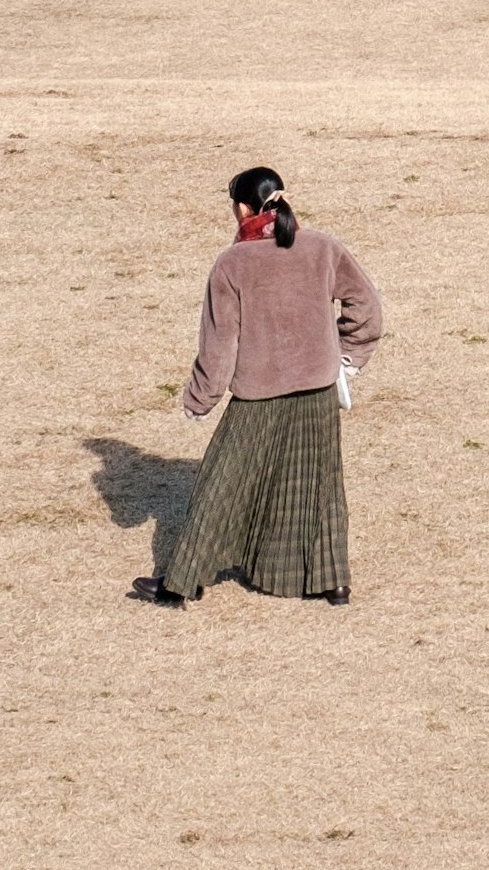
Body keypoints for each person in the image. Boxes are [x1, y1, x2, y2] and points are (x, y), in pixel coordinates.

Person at [159, 164, 382, 607]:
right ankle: (333, 583)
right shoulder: (322, 247)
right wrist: (348, 357)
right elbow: (367, 305)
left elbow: (219, 343)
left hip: (257, 393)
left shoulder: (232, 263)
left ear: (243, 208)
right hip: (318, 387)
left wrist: (199, 398)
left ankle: (179, 584)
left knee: (219, 484)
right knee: (319, 486)